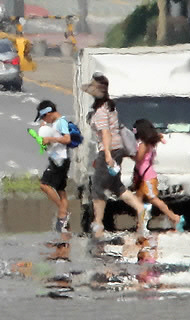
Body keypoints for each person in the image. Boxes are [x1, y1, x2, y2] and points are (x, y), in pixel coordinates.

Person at [82, 72, 146, 238]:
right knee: (116, 186)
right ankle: (140, 209)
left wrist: (108, 155)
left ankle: (98, 223)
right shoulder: (110, 107)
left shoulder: (102, 111)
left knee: (97, 187)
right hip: (116, 150)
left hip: (108, 150)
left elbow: (106, 134)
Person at [132, 119, 185, 232]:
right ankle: (140, 224)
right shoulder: (149, 142)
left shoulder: (143, 144)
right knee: (138, 200)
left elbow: (139, 158)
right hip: (143, 177)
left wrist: (128, 154)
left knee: (153, 199)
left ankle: (174, 217)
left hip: (147, 177)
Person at [34, 100, 72, 233]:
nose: (45, 120)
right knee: (61, 191)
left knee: (44, 185)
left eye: (44, 117)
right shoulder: (56, 123)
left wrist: (50, 139)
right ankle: (63, 222)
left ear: (49, 113)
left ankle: (63, 211)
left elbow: (67, 139)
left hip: (59, 161)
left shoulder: (61, 122)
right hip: (60, 159)